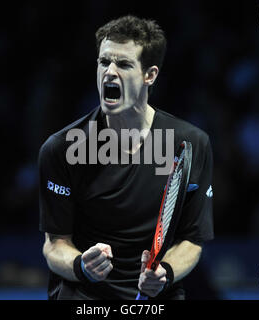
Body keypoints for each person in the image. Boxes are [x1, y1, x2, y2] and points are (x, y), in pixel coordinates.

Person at [39, 15, 214, 300]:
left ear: (150, 75)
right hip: (85, 298)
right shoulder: (61, 149)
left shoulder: (190, 144)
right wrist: (81, 264)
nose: (109, 71)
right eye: (103, 61)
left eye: (123, 64)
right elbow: (54, 244)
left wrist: (165, 273)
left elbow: (191, 241)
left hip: (156, 298)